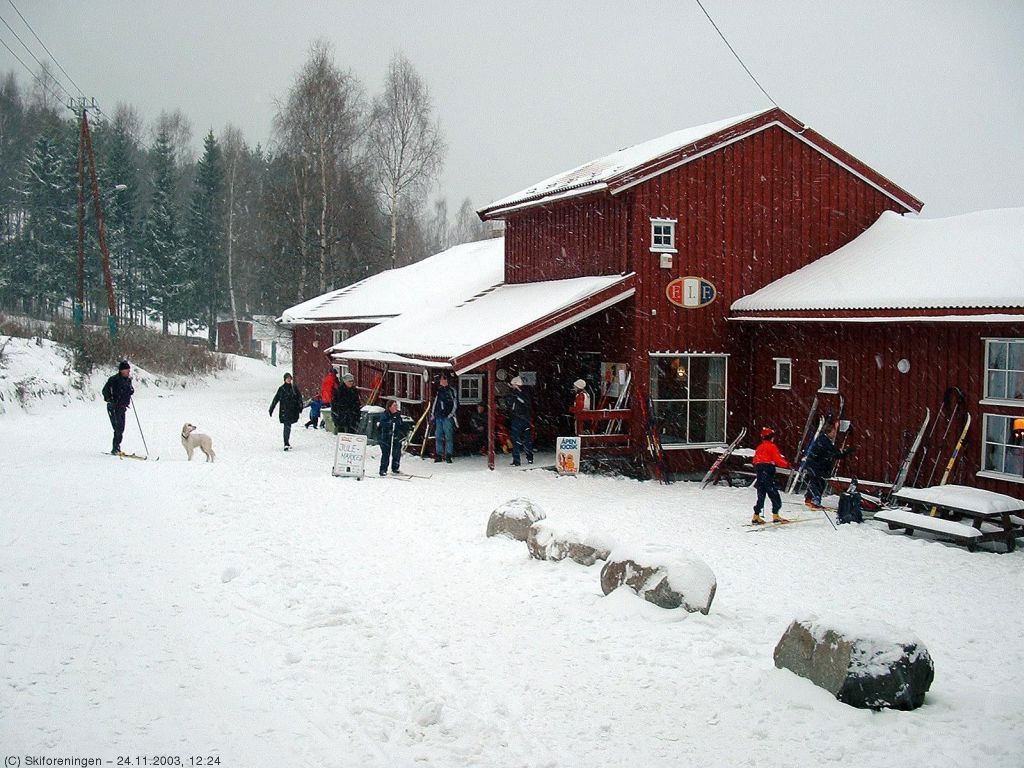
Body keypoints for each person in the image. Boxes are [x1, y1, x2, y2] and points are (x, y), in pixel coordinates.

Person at [803, 422, 854, 510]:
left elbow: (832, 451)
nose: (835, 434)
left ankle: (809, 499)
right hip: (817, 466)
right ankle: (815, 501)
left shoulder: (823, 440)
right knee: (819, 483)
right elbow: (833, 453)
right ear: (829, 432)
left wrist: (842, 452)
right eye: (833, 432)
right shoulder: (824, 441)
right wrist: (845, 452)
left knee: (814, 482)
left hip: (814, 465)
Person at [751, 426, 789, 524]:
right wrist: (788, 465)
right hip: (768, 472)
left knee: (761, 495)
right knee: (774, 494)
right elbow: (778, 459)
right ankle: (775, 515)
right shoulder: (772, 446)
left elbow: (755, 460)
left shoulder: (759, 447)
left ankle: (756, 515)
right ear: (772, 437)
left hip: (760, 472)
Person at [101, 360, 134, 455]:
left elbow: (129, 390)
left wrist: (131, 391)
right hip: (114, 407)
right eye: (127, 370)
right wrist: (110, 399)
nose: (128, 371)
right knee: (118, 428)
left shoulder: (128, 380)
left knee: (121, 428)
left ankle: (117, 447)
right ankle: (115, 448)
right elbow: (105, 391)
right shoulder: (114, 379)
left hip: (122, 407)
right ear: (121, 370)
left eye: (129, 369)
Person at [269, 372, 303, 451]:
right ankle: (286, 443)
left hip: (293, 411)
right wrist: (271, 408)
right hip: (285, 411)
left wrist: (300, 406)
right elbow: (276, 399)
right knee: (287, 426)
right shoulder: (282, 389)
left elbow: (299, 398)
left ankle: (287, 442)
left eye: (290, 378)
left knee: (288, 426)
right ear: (284, 379)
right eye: (287, 378)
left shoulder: (294, 388)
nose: (289, 380)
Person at [431, 372, 458, 463]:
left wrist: (450, 414)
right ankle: (439, 454)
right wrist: (433, 413)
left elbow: (455, 404)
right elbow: (435, 402)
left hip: (447, 417)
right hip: (439, 416)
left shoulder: (451, 391)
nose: (441, 381)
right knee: (438, 435)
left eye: (443, 379)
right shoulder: (439, 390)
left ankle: (448, 455)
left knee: (448, 436)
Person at [507, 375, 534, 466]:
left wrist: (517, 397)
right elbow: (510, 405)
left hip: (523, 419)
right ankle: (516, 460)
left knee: (526, 440)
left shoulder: (525, 393)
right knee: (515, 440)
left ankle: (529, 457)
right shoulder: (512, 393)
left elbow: (527, 404)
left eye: (513, 385)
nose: (511, 386)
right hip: (516, 418)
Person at [377, 399, 408, 476]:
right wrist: (391, 423)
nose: (396, 407)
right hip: (386, 437)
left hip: (396, 436)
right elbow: (383, 424)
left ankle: (395, 467)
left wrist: (404, 430)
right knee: (386, 453)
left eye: (396, 406)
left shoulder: (397, 415)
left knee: (397, 452)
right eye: (394, 405)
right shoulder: (385, 415)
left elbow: (401, 424)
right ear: (389, 407)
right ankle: (383, 469)